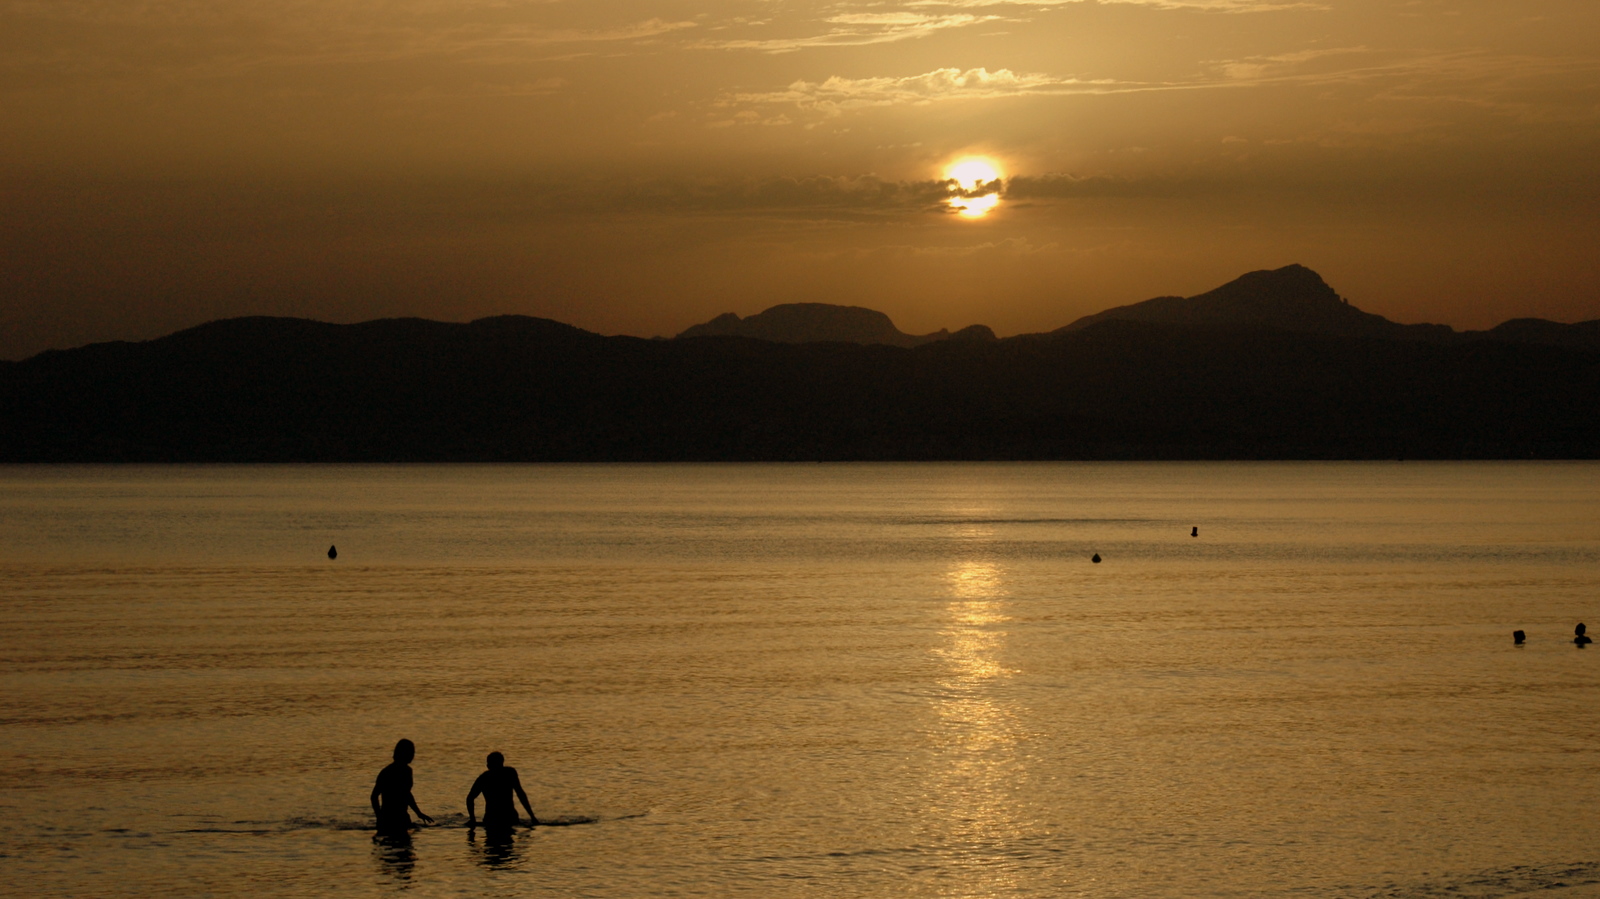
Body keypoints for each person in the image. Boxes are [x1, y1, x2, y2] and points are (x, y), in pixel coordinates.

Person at [371, 739, 435, 832]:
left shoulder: (407, 771)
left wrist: (419, 813)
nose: (413, 755)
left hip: (402, 816)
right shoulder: (387, 772)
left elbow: (406, 794)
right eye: (411, 752)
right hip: (388, 817)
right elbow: (374, 796)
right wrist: (379, 816)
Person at [466, 751, 538, 829]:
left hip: (502, 817)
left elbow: (470, 798)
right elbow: (520, 793)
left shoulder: (487, 777)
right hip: (499, 817)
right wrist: (532, 816)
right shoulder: (507, 773)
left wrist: (472, 819)